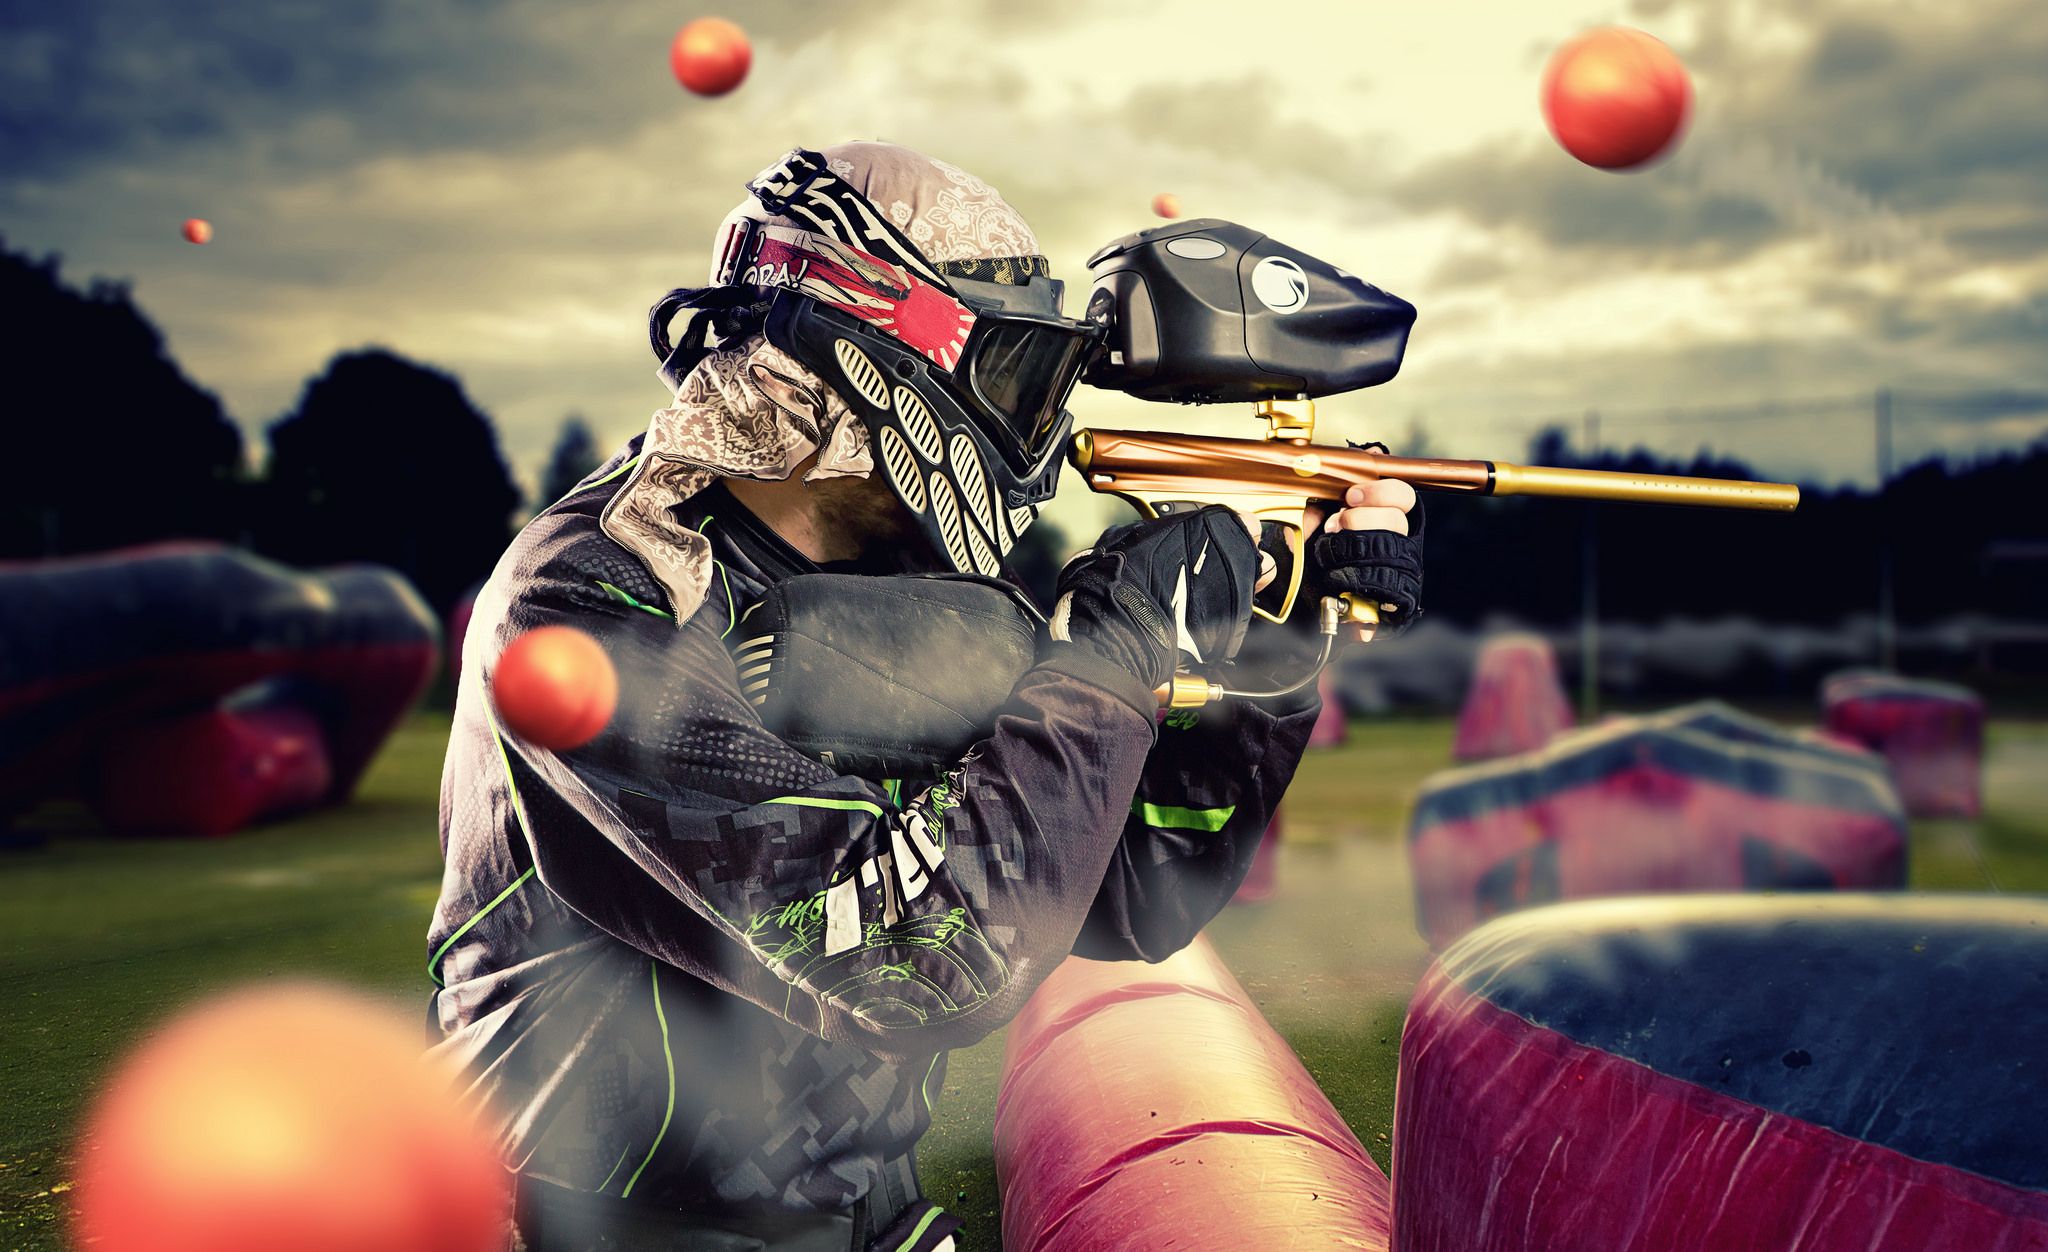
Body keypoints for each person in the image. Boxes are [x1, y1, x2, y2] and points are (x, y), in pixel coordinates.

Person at [427, 142, 1423, 1252]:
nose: (1028, 432)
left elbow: (1128, 892)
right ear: (853, 360)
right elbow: (900, 956)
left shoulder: (903, 589)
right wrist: (1107, 657)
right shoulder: (603, 594)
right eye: (1002, 376)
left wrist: (1272, 642)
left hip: (856, 1209)